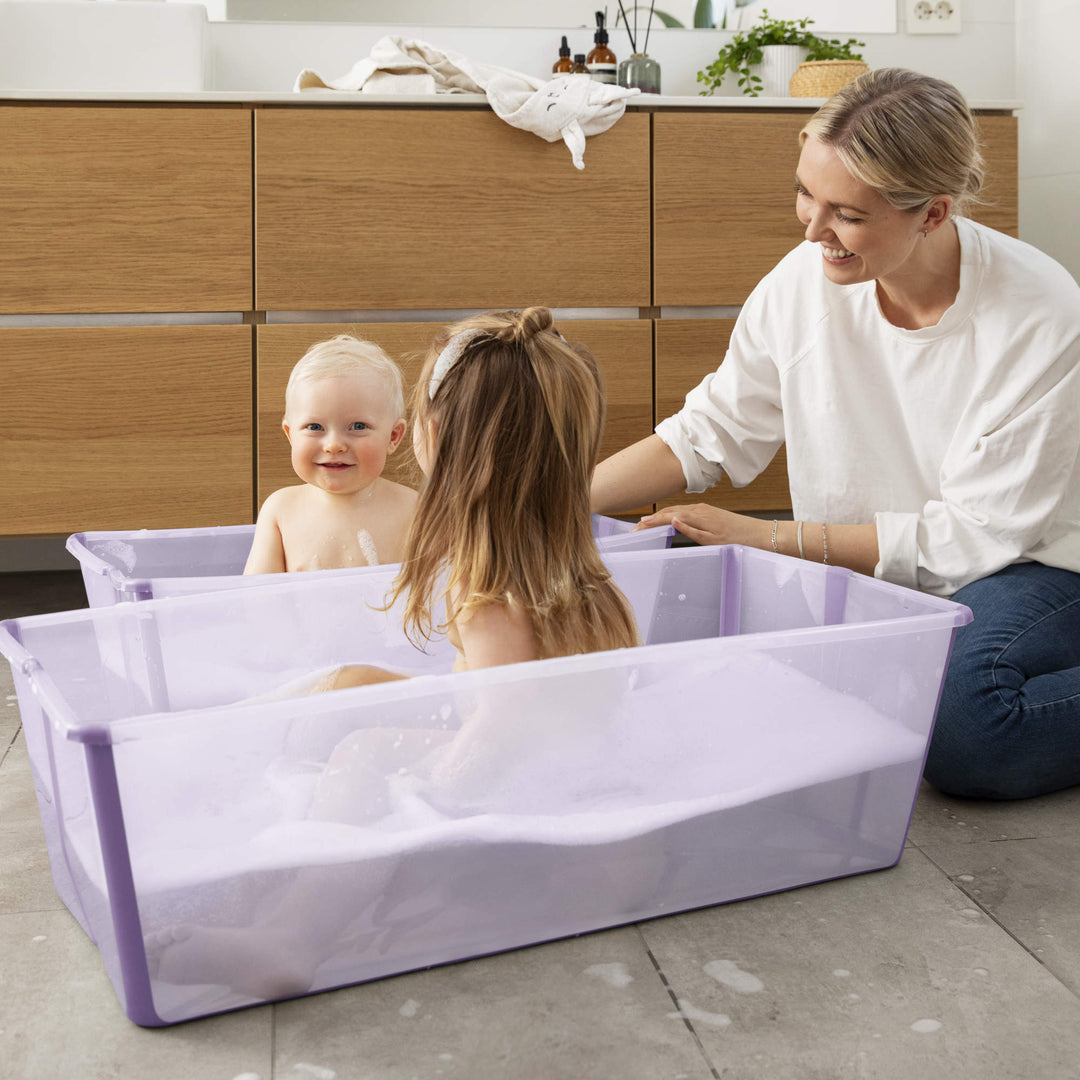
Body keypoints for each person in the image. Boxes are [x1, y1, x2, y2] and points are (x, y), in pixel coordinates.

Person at [591, 68, 1080, 801]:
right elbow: (710, 430)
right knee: (691, 588)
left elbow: (973, 539)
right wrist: (551, 498)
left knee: (969, 728)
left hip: (1031, 562)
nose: (813, 231)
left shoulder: (1039, 313)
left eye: (847, 214)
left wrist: (769, 538)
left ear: (934, 213)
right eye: (805, 195)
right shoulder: (805, 280)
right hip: (879, 566)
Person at [145, 308, 642, 998]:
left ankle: (292, 933)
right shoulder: (579, 567)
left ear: (431, 436)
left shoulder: (487, 584)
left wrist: (432, 783)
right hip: (571, 744)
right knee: (353, 682)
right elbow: (569, 695)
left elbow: (502, 721)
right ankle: (291, 845)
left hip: (523, 766)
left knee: (366, 751)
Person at [243, 334, 418, 574]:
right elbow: (257, 594)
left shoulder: (414, 510)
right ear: (290, 435)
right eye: (315, 427)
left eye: (358, 426)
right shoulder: (281, 511)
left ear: (393, 436)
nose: (334, 445)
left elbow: (440, 589)